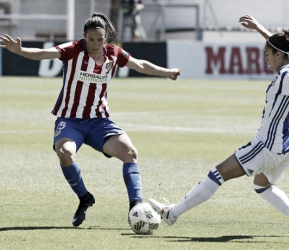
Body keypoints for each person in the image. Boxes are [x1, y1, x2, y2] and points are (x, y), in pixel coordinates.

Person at [149, 14, 289, 237]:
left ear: (278, 54)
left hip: (267, 146)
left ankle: (172, 213)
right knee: (262, 184)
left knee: (217, 174)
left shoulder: (288, 76)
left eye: (267, 55)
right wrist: (258, 28)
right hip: (288, 147)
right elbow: (276, 45)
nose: (265, 59)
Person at [0, 13, 180, 227]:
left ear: (106, 38)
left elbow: (140, 64)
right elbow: (42, 53)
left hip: (99, 122)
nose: (95, 44)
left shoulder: (114, 54)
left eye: (100, 39)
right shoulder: (72, 50)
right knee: (65, 153)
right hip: (70, 119)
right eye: (91, 39)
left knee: (130, 153)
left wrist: (167, 73)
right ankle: (85, 197)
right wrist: (20, 51)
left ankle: (136, 207)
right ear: (84, 36)